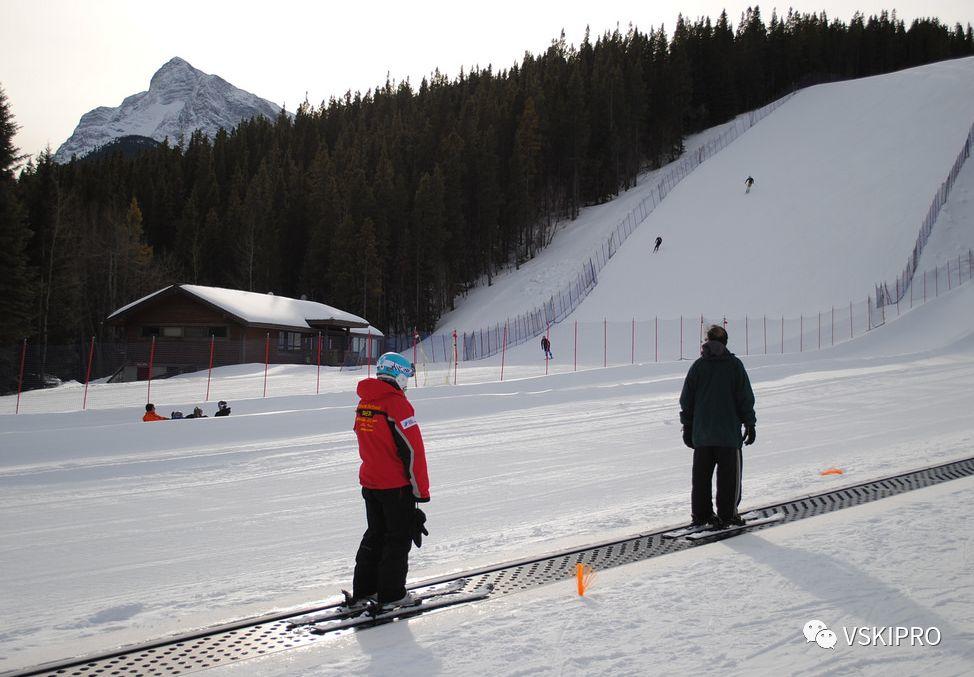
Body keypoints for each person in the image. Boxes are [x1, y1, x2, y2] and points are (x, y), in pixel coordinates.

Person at [347, 352, 430, 612]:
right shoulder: (396, 404)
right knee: (398, 538)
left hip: (371, 481)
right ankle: (392, 593)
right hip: (395, 485)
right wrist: (420, 490)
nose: (406, 384)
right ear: (396, 374)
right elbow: (413, 449)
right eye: (406, 377)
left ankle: (365, 588)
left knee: (376, 533)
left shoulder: (365, 403)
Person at [679, 325, 756, 529]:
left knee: (701, 478)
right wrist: (750, 423)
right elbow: (745, 398)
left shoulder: (698, 366)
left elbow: (686, 400)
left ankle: (702, 515)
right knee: (729, 478)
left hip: (702, 435)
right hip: (728, 435)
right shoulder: (734, 365)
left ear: (707, 342)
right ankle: (727, 515)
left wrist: (687, 426)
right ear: (725, 342)